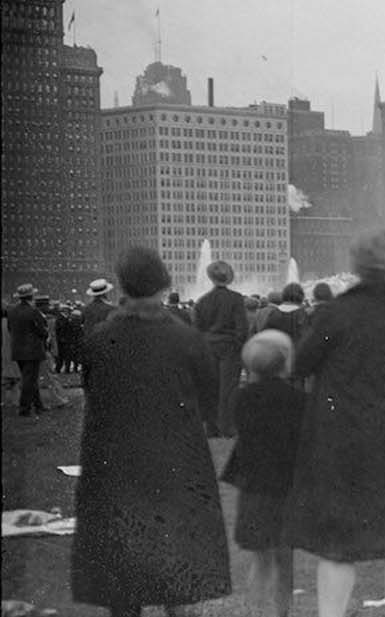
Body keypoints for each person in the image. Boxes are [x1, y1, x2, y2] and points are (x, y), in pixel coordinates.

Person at [290, 228, 385, 617]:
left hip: (341, 439)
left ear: (355, 265)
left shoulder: (336, 312)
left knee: (338, 542)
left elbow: (301, 363)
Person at [72, 246, 231, 616]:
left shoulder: (98, 339)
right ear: (164, 283)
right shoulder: (187, 340)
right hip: (177, 462)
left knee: (121, 568)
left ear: (122, 285)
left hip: (116, 465)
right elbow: (210, 403)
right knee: (178, 561)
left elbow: (92, 393)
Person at [222, 330, 306, 617]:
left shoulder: (242, 398)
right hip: (287, 486)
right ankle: (282, 612)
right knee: (286, 561)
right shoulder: (298, 400)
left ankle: (256, 611)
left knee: (261, 559)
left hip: (254, 486)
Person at [193, 258, 250, 437]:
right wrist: (237, 344)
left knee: (210, 387)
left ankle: (211, 427)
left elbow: (197, 328)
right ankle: (227, 426)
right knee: (229, 388)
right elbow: (242, 327)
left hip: (208, 346)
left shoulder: (202, 301)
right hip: (229, 347)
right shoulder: (236, 299)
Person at [7, 284, 49, 418]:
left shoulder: (12, 311)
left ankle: (38, 405)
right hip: (32, 350)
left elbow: (10, 329)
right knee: (29, 380)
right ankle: (24, 408)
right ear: (31, 296)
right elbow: (42, 332)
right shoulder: (33, 311)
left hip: (18, 350)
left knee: (30, 379)